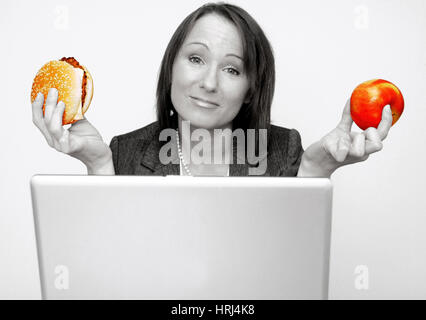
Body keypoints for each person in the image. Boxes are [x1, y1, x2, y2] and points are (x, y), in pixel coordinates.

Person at [32, 2, 392, 177]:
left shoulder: (284, 151)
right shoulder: (124, 152)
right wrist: (98, 165)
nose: (209, 83)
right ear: (171, 66)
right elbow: (110, 269)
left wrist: (316, 168)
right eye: (195, 59)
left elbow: (290, 269)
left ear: (251, 89)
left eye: (232, 69)